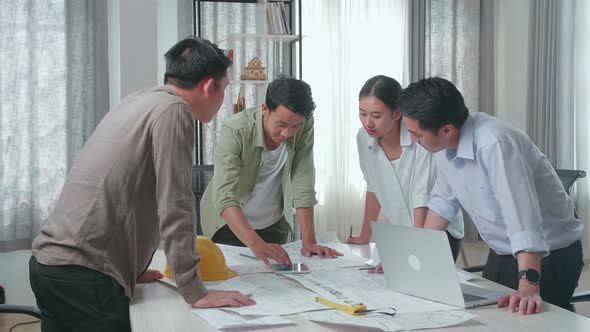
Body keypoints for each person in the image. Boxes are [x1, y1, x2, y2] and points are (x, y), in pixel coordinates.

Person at [29, 37, 255, 332]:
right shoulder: (174, 110)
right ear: (209, 86)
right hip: (84, 277)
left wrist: (129, 270)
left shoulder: (138, 101)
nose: (224, 97)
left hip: (51, 266)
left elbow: (119, 189)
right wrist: (194, 290)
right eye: (225, 88)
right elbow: (175, 204)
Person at [399, 77, 584, 314]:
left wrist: (528, 284)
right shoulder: (443, 146)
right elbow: (442, 204)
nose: (413, 140)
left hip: (548, 254)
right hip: (504, 251)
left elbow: (521, 215)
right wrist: (412, 256)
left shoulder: (494, 142)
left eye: (417, 134)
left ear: (446, 129)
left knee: (524, 320)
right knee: (481, 315)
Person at [200, 76, 341, 265]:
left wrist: (309, 241)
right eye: (281, 124)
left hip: (273, 222)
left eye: (295, 127)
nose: (287, 134)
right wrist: (256, 243)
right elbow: (225, 196)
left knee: (276, 285)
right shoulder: (236, 130)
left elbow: (303, 176)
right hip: (229, 225)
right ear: (265, 109)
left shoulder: (304, 124)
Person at [347, 75, 464, 263]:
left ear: (397, 113)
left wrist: (416, 247)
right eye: (362, 113)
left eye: (376, 116)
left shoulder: (420, 136)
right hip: (404, 232)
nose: (368, 122)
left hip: (437, 232)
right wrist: (364, 236)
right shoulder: (363, 137)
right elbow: (373, 186)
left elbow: (422, 195)